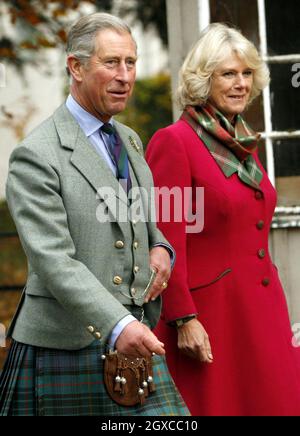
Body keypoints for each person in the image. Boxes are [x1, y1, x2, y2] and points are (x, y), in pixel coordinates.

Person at [0, 12, 189, 416]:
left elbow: (145, 221)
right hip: (66, 346)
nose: (125, 76)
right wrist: (119, 325)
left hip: (132, 340)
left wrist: (160, 247)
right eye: (111, 63)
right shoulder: (37, 155)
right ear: (76, 66)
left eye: (131, 63)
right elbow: (54, 261)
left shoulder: (129, 140)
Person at [146, 23, 300, 416]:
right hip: (211, 319)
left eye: (247, 73)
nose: (240, 83)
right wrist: (183, 319)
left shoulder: (242, 141)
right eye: (228, 74)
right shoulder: (174, 141)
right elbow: (166, 239)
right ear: (203, 80)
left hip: (262, 310)